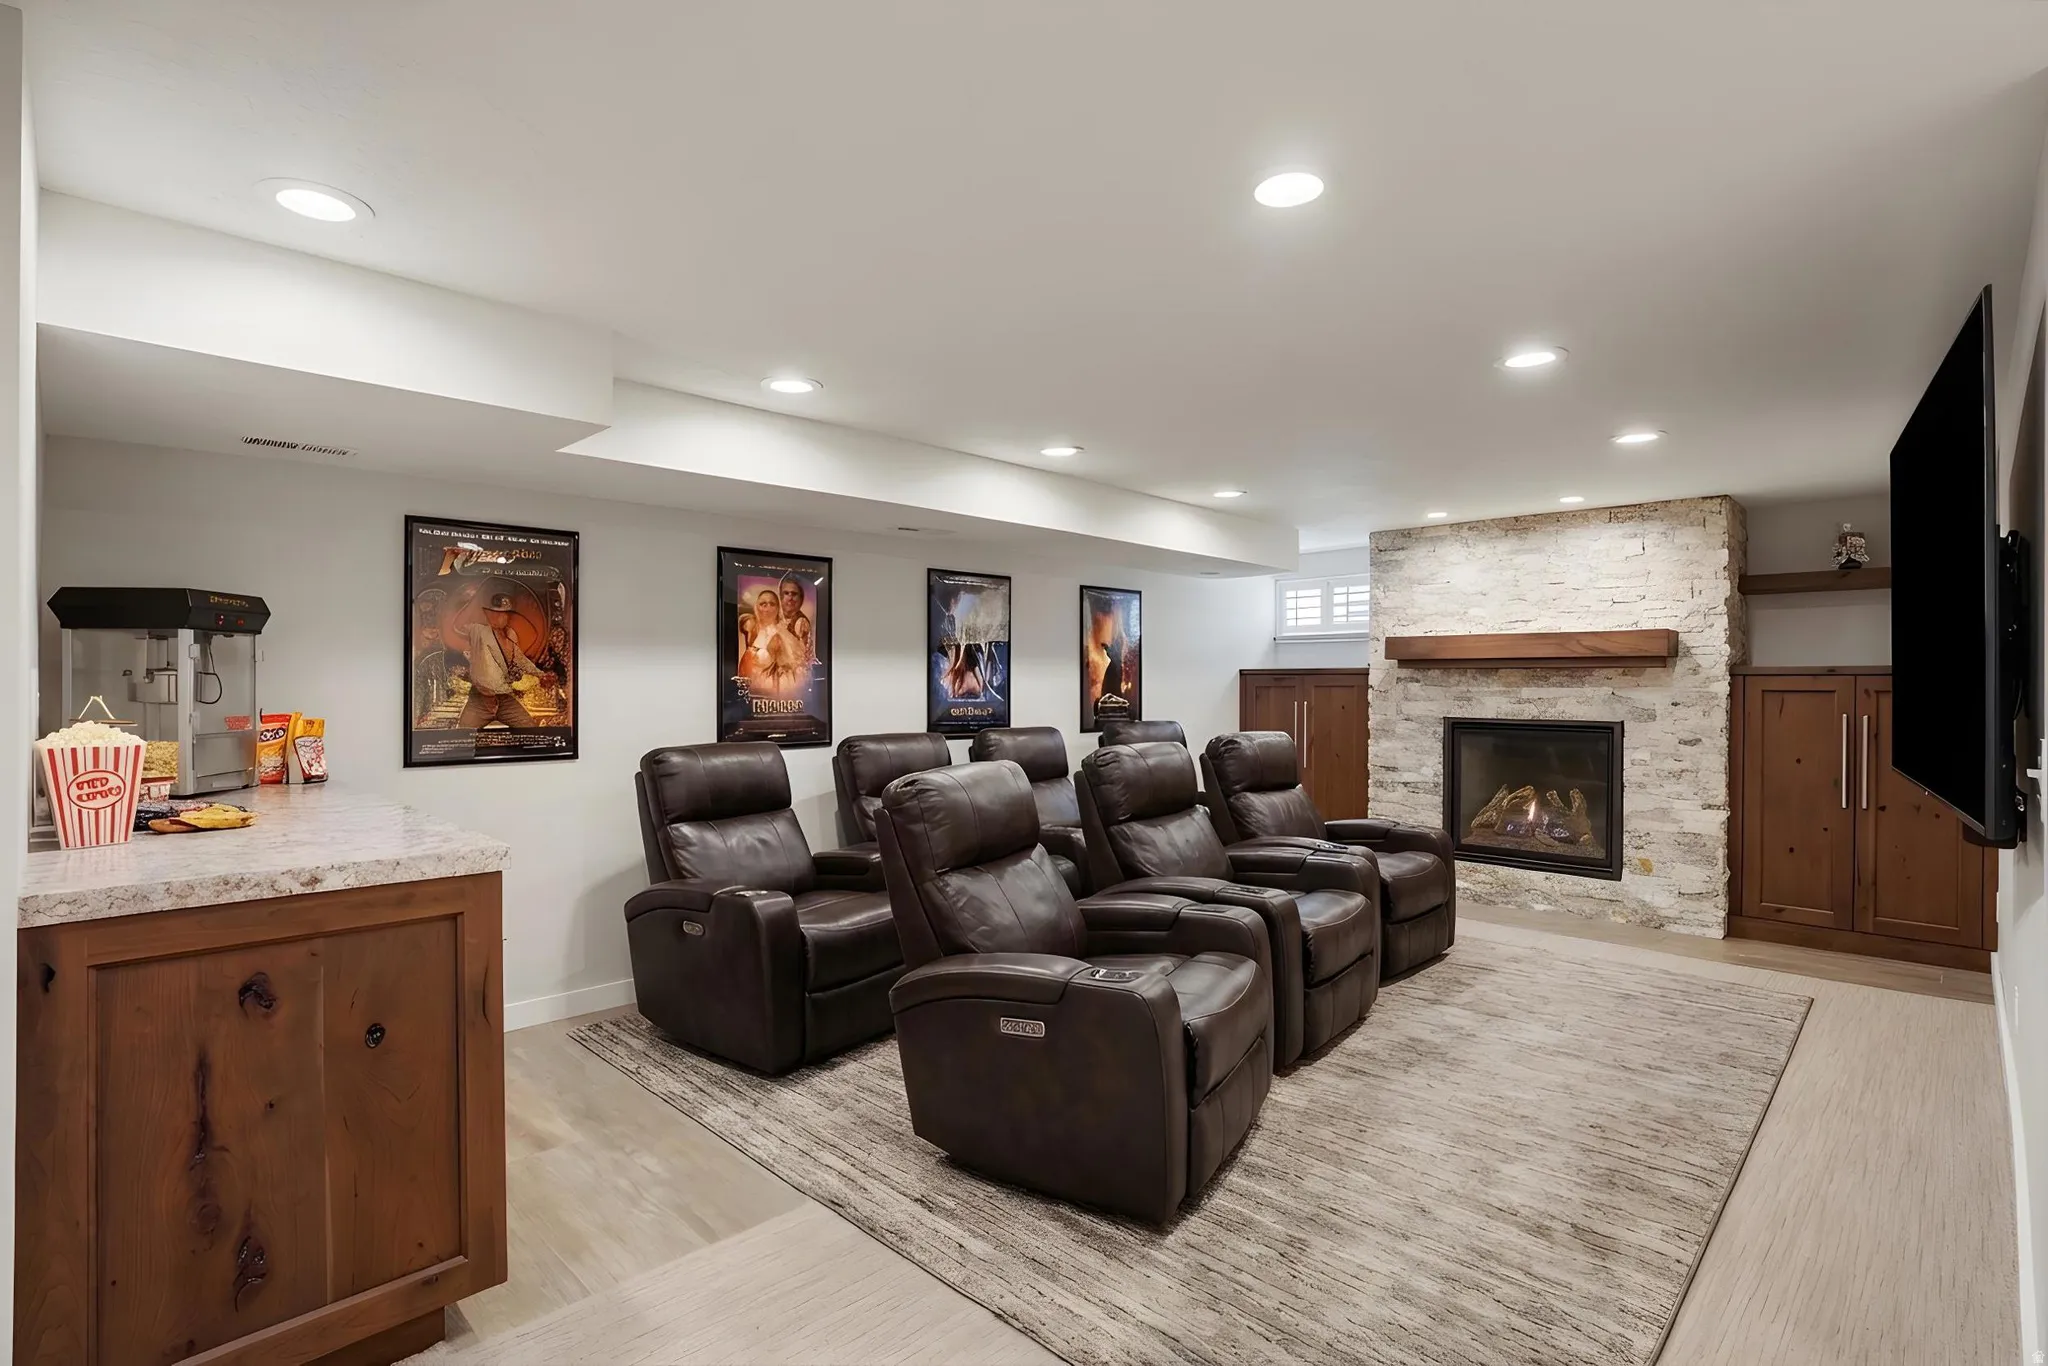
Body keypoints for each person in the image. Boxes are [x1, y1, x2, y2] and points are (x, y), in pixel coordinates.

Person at [457, 592, 542, 729]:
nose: (502, 617)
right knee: (463, 734)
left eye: (506, 614)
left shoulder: (511, 634)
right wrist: (472, 601)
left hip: (504, 699)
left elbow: (520, 659)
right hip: (480, 700)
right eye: (497, 614)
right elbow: (458, 625)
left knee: (530, 728)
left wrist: (540, 674)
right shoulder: (478, 630)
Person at [740, 587, 804, 693]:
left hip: (777, 690)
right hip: (751, 686)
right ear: (757, 607)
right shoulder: (752, 628)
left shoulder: (784, 634)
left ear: (778, 608)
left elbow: (794, 665)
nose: (768, 608)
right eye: (763, 604)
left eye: (772, 604)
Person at [779, 575, 817, 665]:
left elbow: (801, 658)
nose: (790, 598)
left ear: (801, 598)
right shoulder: (778, 618)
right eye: (786, 593)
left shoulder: (801, 622)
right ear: (781, 596)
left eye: (794, 594)